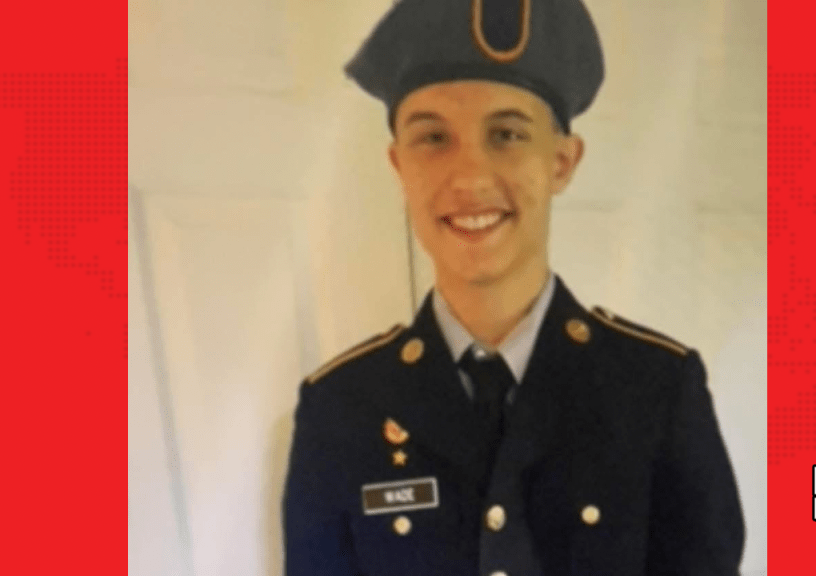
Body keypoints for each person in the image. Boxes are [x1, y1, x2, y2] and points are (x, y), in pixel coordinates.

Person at [282, 0, 745, 574]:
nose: (470, 176)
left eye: (506, 134)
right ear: (399, 166)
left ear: (562, 162)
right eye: (433, 137)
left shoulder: (656, 391)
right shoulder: (340, 410)